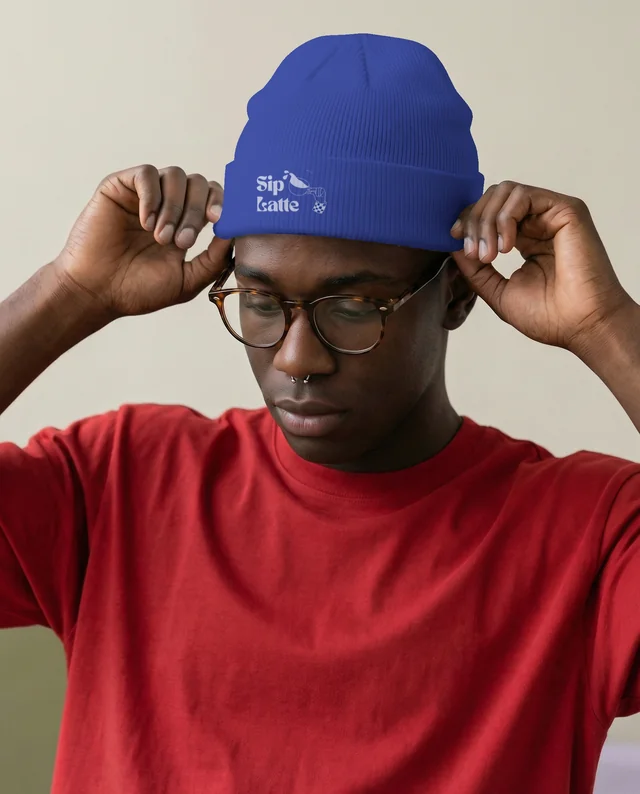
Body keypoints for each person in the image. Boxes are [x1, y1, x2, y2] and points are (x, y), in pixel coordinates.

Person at [0, 32, 638, 794]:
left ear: (459, 294)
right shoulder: (120, 483)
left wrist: (607, 326)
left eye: (356, 306)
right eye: (263, 302)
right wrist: (70, 292)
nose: (298, 358)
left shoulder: (585, 536)